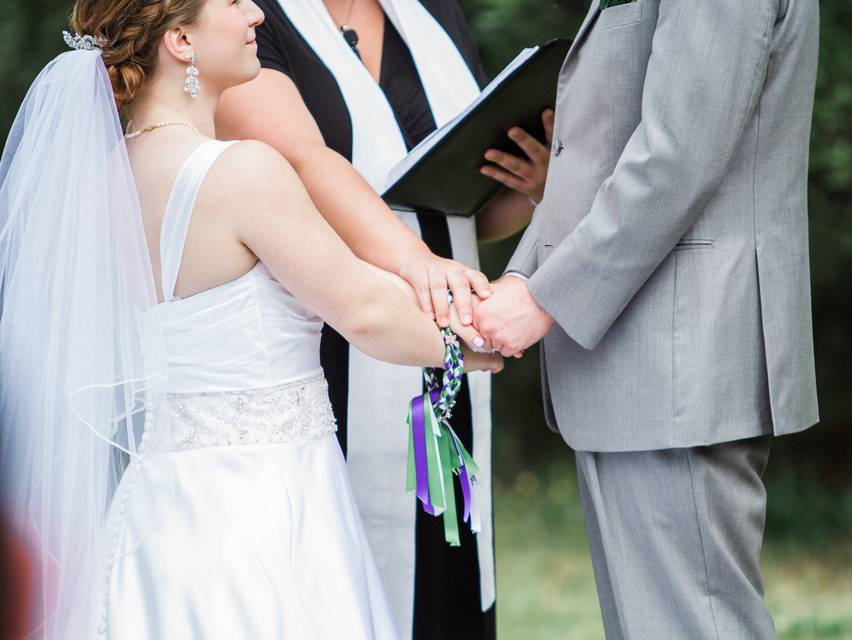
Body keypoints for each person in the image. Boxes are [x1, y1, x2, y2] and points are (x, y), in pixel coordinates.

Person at [0, 0, 502, 637]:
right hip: (265, 508)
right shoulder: (243, 169)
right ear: (181, 40)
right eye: (234, 3)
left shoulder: (106, 176)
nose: (257, 15)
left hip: (157, 507)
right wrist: (487, 340)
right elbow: (366, 310)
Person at [474, 0, 821, 638]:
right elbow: (598, 159)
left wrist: (546, 298)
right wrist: (523, 278)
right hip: (641, 357)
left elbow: (676, 156)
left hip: (681, 350)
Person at [214, 1, 551, 636]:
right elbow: (303, 161)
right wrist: (419, 265)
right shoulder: (253, 21)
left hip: (446, 328)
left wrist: (532, 187)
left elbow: (463, 208)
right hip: (332, 337)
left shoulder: (432, 12)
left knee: (447, 555)